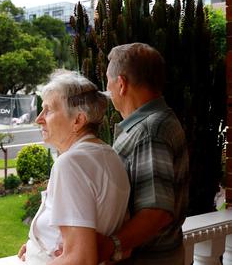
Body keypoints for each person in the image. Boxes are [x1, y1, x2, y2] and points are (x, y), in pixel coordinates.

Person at [17, 71, 130, 264]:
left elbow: (81, 259)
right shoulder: (108, 155)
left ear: (77, 120)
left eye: (49, 110)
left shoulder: (71, 164)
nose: (39, 119)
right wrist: (39, 246)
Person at [99, 43, 189, 264]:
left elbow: (156, 211)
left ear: (121, 84)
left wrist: (112, 245)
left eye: (108, 82)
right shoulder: (156, 121)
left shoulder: (150, 131)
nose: (107, 90)